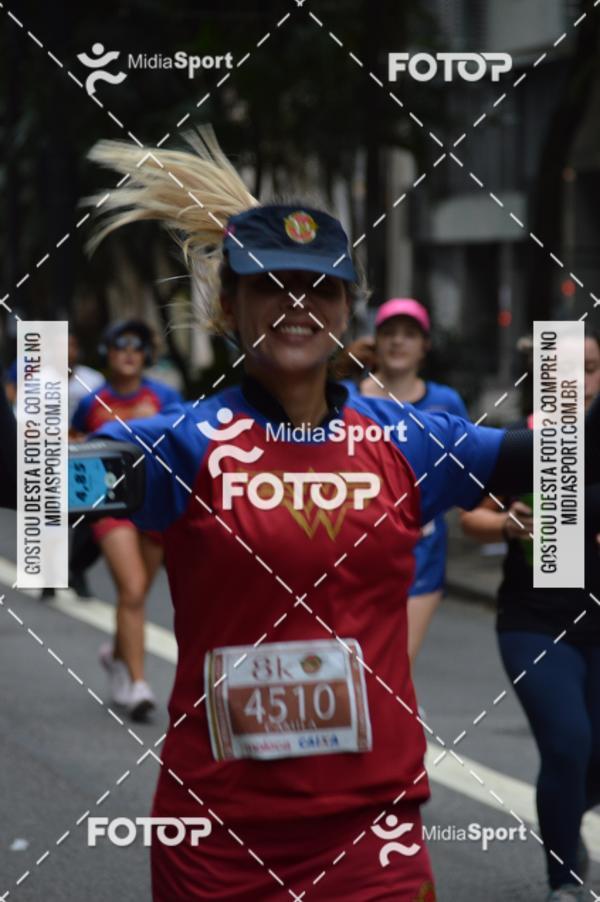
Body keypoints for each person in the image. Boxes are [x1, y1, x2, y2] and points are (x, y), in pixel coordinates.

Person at [84, 130, 598, 900]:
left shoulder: (409, 441)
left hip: (374, 834)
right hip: (217, 839)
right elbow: (29, 479)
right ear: (229, 305)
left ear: (346, 309)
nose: (298, 303)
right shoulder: (183, 446)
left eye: (321, 287)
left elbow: (561, 454)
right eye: (272, 284)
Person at [460, 331, 600, 902]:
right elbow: (471, 519)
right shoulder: (527, 441)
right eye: (564, 370)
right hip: (535, 622)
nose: (577, 382)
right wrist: (508, 524)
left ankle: (566, 814)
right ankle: (564, 881)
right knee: (567, 743)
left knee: (591, 760)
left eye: (589, 368)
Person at [342, 299, 469, 660]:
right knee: (352, 665)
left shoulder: (445, 402)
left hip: (421, 554)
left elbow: (466, 468)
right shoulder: (345, 398)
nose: (398, 341)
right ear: (376, 340)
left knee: (395, 663)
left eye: (409, 334)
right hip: (353, 551)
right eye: (390, 333)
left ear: (424, 345)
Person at [71, 319, 182, 721]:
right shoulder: (91, 401)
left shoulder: (165, 397)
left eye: (138, 347)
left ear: (147, 355)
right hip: (109, 506)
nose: (130, 354)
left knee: (136, 595)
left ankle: (116, 655)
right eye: (121, 346)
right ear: (107, 352)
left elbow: (183, 443)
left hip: (153, 504)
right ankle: (137, 685)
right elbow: (72, 444)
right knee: (132, 587)